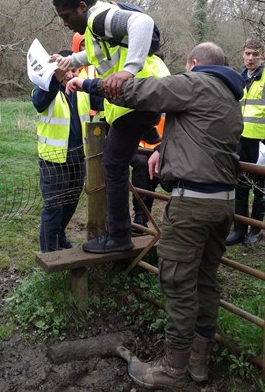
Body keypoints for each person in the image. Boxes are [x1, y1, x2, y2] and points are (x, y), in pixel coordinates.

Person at [67, 41, 244, 390]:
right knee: (205, 280)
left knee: (177, 281)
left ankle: (172, 369)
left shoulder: (195, 82)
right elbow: (202, 137)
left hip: (191, 205)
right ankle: (198, 361)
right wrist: (163, 148)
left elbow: (142, 91)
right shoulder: (228, 96)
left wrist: (87, 83)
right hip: (222, 203)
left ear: (194, 64)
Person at [51, 0, 169, 254]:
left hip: (138, 97)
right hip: (138, 100)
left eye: (66, 16)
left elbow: (142, 22)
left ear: (82, 7)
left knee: (113, 164)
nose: (64, 23)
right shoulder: (95, 29)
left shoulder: (100, 16)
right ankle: (121, 232)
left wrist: (129, 70)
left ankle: (118, 236)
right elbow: (96, 56)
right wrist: (69, 61)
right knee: (115, 163)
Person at [30, 50, 103, 253]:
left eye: (75, 70)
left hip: (78, 158)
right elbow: (39, 102)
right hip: (53, 160)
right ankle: (49, 252)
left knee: (71, 202)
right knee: (53, 207)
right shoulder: (44, 87)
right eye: (67, 71)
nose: (71, 75)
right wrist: (56, 78)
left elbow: (105, 102)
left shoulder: (81, 90)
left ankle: (59, 238)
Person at [226, 37, 265, 247]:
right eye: (248, 53)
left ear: (262, 55)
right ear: (242, 53)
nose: (250, 58)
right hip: (240, 139)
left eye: (255, 54)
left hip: (261, 141)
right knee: (239, 184)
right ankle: (239, 228)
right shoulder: (239, 77)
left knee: (259, 186)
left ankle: (256, 230)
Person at [130, 115, 165, 231]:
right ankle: (141, 216)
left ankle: (142, 216)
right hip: (137, 142)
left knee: (152, 176)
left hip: (162, 144)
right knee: (142, 165)